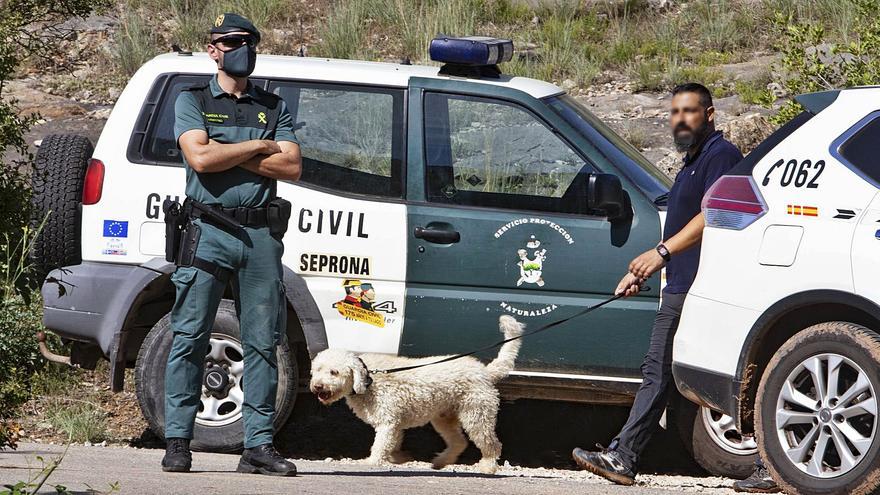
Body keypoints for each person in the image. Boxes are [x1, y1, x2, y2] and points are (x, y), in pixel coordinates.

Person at [572, 83, 776, 491]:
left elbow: (712, 216)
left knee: (732, 374)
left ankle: (774, 464)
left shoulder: (721, 156)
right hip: (681, 284)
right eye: (674, 112)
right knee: (659, 372)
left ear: (710, 114)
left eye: (689, 111)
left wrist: (659, 254)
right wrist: (643, 271)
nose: (679, 119)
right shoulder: (691, 162)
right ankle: (624, 456)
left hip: (708, 288)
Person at [161, 12, 302, 476]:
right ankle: (179, 441)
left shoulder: (273, 105)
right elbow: (200, 159)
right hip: (207, 231)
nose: (246, 49)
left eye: (251, 41)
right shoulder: (193, 98)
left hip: (260, 236)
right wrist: (260, 147)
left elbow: (291, 168)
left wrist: (228, 151)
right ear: (214, 49)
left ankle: (258, 447)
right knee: (189, 335)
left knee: (264, 342)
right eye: (235, 41)